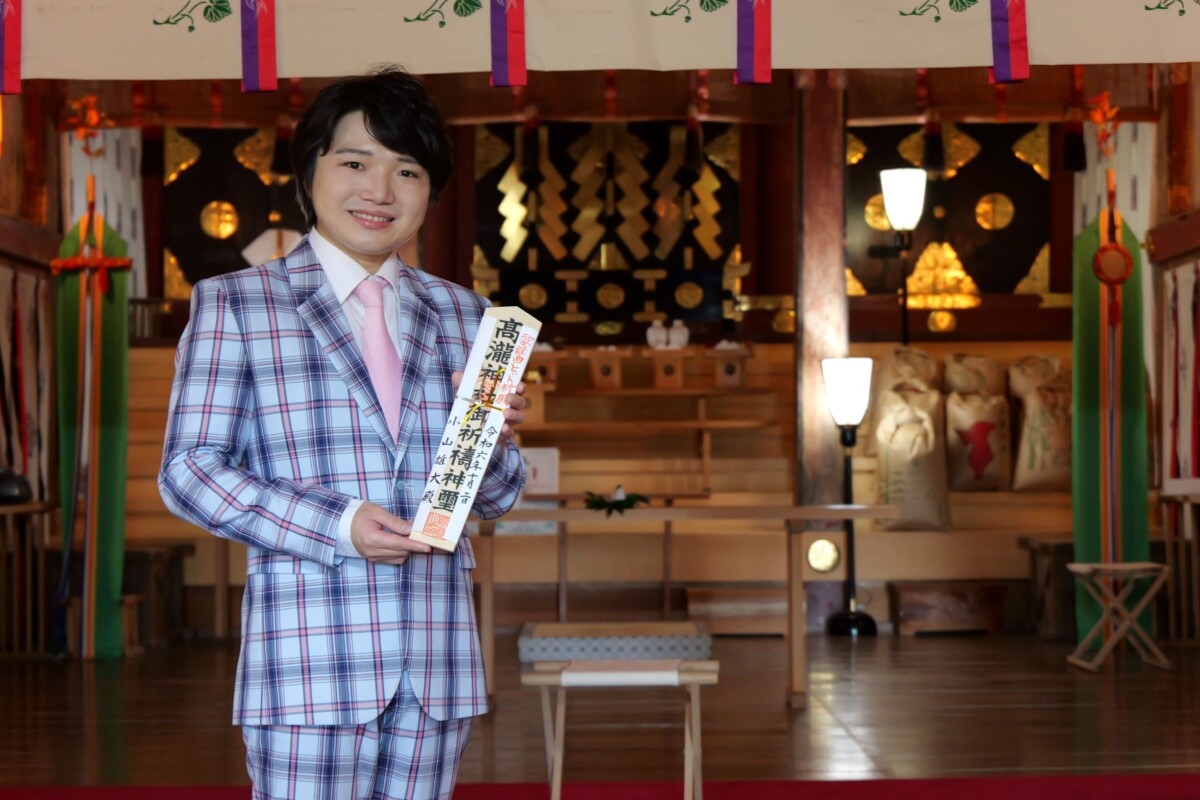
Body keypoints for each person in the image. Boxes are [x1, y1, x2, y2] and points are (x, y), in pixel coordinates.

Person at [158, 66, 526, 800]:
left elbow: (495, 495)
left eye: (407, 170)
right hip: (307, 656)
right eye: (355, 162)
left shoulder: (466, 315)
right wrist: (339, 523)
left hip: (435, 661)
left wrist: (488, 436)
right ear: (309, 171)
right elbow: (190, 470)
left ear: (431, 190)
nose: (379, 191)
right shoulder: (237, 303)